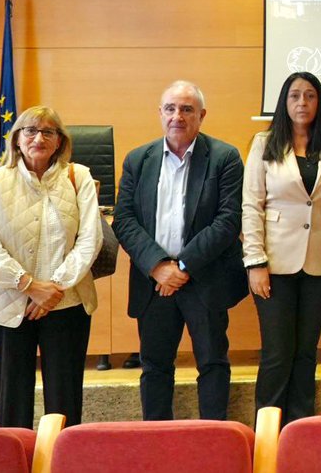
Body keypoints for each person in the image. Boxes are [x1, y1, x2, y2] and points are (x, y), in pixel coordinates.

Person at [114, 80, 246, 420]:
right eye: (170, 108)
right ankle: (156, 444)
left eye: (187, 109)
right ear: (160, 114)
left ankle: (215, 442)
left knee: (213, 364)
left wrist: (182, 267)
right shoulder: (138, 160)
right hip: (153, 282)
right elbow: (125, 220)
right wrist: (159, 266)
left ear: (201, 115)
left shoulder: (224, 157)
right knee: (155, 366)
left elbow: (228, 221)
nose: (178, 116)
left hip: (205, 279)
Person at [0, 106, 102, 427]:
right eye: (30, 130)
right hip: (7, 303)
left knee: (65, 401)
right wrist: (30, 285)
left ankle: (61, 460)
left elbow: (90, 240)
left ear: (59, 142)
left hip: (66, 302)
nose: (38, 138)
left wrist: (54, 288)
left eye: (48, 132)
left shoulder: (78, 176)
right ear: (16, 140)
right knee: (12, 400)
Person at [243, 72, 321, 423]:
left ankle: (300, 428)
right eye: (294, 96)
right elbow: (251, 204)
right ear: (284, 102)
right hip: (274, 261)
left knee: (306, 351)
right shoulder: (265, 143)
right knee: (278, 352)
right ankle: (268, 429)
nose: (302, 103)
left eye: (310, 96)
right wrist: (255, 262)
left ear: (319, 103)